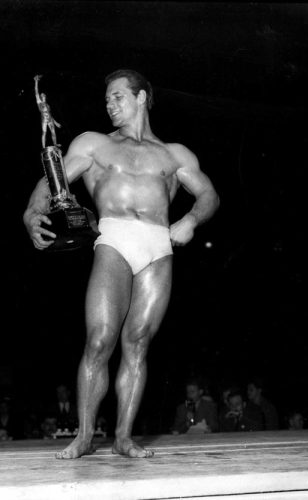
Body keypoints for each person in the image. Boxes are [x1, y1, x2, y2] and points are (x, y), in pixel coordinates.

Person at [23, 69, 219, 458]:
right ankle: (83, 436)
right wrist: (32, 213)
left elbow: (209, 194)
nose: (109, 104)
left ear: (142, 97)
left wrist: (192, 221)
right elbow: (53, 180)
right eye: (107, 98)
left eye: (117, 97)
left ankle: (124, 437)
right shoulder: (94, 144)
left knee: (138, 343)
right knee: (99, 339)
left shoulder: (174, 154)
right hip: (113, 238)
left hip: (158, 246)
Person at [34, 74, 61, 148]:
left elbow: (51, 114)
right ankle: (43, 147)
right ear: (40, 97)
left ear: (45, 96)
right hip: (44, 119)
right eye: (41, 95)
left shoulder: (48, 105)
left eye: (44, 95)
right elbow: (36, 92)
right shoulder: (39, 103)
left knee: (53, 133)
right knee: (44, 133)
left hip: (50, 119)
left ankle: (55, 144)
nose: (43, 95)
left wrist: (56, 123)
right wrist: (36, 82)